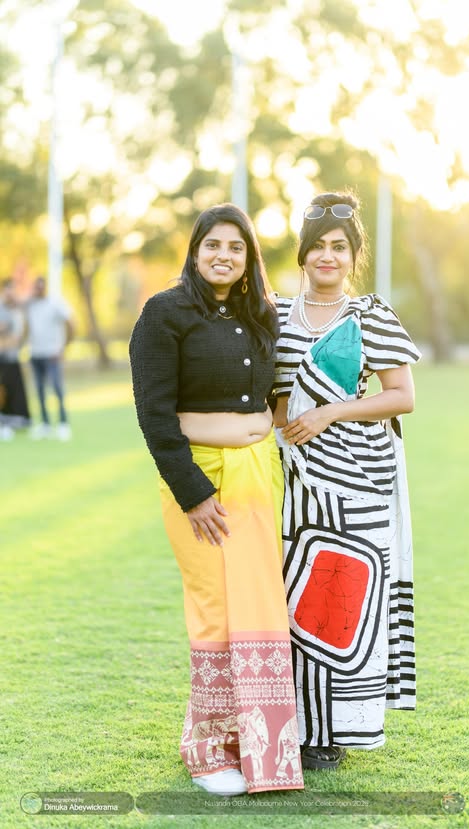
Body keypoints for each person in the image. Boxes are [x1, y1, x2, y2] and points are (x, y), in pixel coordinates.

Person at [129, 204, 304, 797]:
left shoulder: (260, 313)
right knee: (215, 608)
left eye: (237, 247)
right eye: (213, 245)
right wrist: (194, 494)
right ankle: (208, 750)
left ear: (249, 256)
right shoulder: (164, 312)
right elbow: (154, 414)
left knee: (259, 605)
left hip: (258, 474)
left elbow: (277, 394)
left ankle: (263, 745)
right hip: (200, 479)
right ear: (195, 251)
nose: (224, 256)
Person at [272, 192, 421, 770]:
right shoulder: (278, 316)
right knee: (292, 598)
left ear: (353, 256)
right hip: (292, 478)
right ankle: (295, 722)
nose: (327, 257)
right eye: (318, 247)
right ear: (303, 254)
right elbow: (273, 397)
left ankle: (336, 731)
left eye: (339, 247)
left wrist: (330, 412)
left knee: (340, 597)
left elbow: (402, 396)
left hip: (357, 481)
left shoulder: (371, 315)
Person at [26, 276, 75, 440]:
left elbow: (71, 322)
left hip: (52, 354)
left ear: (44, 287)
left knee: (56, 389)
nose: (38, 290)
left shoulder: (55, 303)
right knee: (39, 390)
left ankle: (63, 423)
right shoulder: (30, 305)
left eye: (41, 287)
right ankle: (45, 424)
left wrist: (64, 347)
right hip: (35, 353)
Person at [0, 278, 31, 440]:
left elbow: (19, 335)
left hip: (12, 357)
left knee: (14, 391)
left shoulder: (17, 310)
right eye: (8, 290)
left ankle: (13, 421)